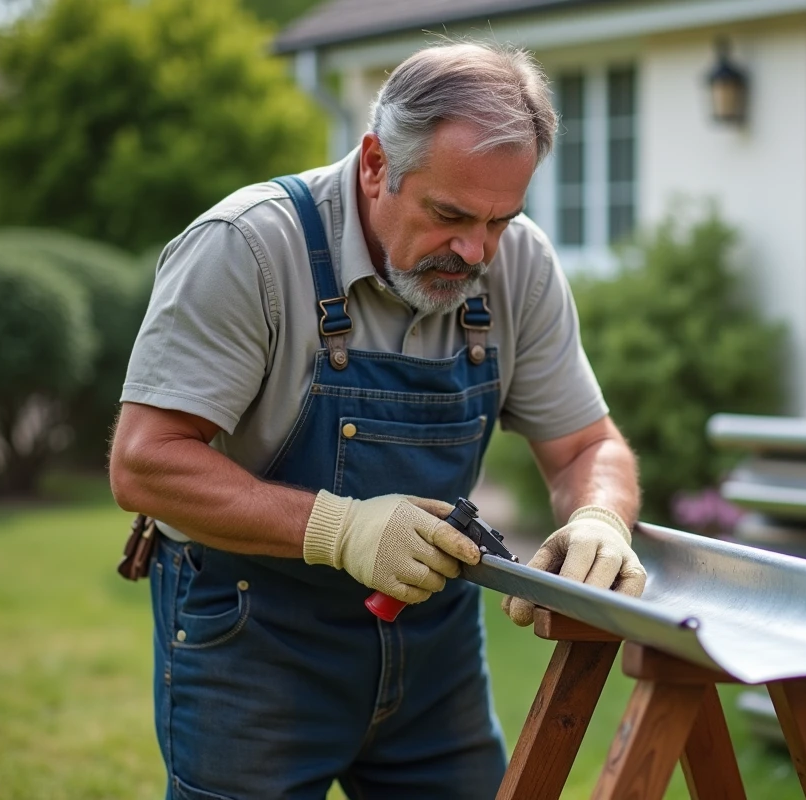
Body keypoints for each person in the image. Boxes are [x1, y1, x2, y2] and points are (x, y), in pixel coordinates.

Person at [108, 41, 646, 800]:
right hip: (253, 637)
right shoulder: (248, 248)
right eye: (450, 214)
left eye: (500, 219)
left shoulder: (518, 261)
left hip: (436, 650)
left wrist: (600, 518)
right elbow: (144, 462)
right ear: (373, 164)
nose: (475, 250)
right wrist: (344, 529)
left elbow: (588, 445)